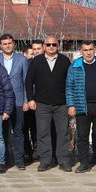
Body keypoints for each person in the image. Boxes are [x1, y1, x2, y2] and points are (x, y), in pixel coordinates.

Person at [66, 41, 96, 174]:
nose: (88, 52)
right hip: (82, 106)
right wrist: (71, 105)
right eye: (85, 50)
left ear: (95, 51)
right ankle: (84, 163)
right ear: (81, 51)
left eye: (91, 49)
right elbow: (69, 88)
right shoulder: (74, 66)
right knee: (82, 137)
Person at [25, 36, 71, 172]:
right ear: (44, 46)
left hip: (61, 104)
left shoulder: (64, 60)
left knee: (63, 133)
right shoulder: (36, 61)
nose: (51, 47)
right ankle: (45, 161)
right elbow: (28, 81)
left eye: (54, 44)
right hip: (42, 104)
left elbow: (70, 82)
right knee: (43, 132)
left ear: (58, 46)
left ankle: (63, 160)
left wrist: (70, 102)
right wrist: (30, 99)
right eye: (48, 44)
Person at [0, 34, 31, 170]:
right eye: (4, 44)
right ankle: (4, 160)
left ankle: (19, 160)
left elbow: (26, 82)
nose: (7, 46)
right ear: (0, 45)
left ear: (14, 44)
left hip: (18, 101)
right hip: (2, 102)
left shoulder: (22, 59)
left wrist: (26, 101)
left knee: (18, 131)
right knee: (3, 132)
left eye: (9, 43)